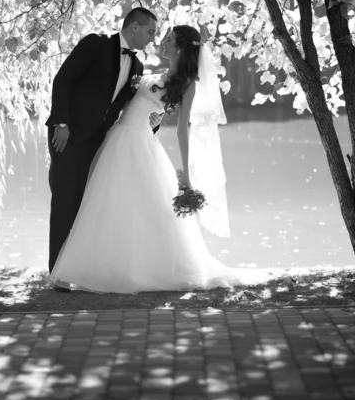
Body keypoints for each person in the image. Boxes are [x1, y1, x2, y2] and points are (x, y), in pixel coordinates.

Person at [50, 25, 268, 292]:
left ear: (181, 46)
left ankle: (141, 268)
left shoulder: (187, 83)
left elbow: (181, 130)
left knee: (133, 207)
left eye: (168, 39)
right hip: (116, 139)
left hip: (137, 145)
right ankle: (108, 264)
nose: (162, 43)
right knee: (108, 204)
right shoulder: (155, 73)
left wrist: (185, 174)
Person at [46, 8, 158, 276]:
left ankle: (78, 267)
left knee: (89, 204)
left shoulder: (137, 66)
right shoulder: (95, 44)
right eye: (150, 31)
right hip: (68, 136)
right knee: (65, 200)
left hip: (100, 142)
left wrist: (151, 125)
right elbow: (64, 79)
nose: (152, 38)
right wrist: (62, 123)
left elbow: (126, 108)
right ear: (134, 27)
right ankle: (57, 272)